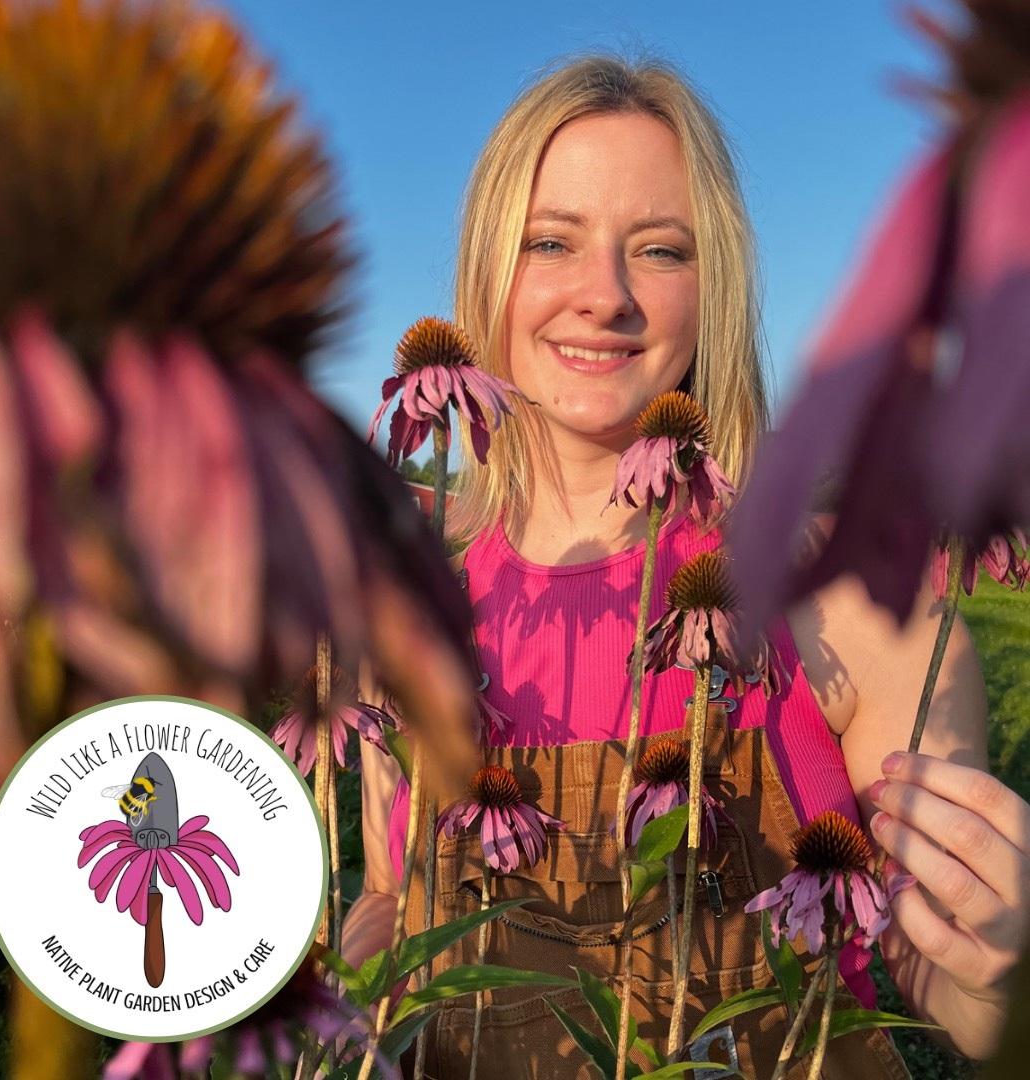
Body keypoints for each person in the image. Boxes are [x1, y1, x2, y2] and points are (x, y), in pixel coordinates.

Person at [342, 56, 1025, 1077]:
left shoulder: (855, 615)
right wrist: (366, 952)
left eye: (660, 250)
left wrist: (995, 965)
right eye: (550, 241)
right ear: (489, 271)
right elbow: (391, 890)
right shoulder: (402, 619)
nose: (604, 296)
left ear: (717, 290)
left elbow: (954, 999)